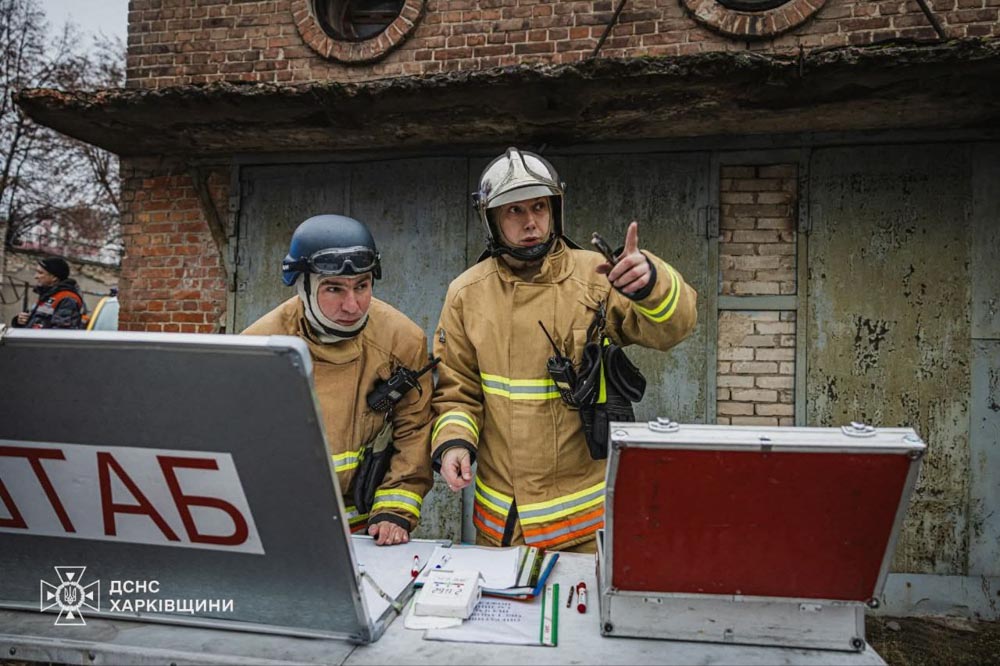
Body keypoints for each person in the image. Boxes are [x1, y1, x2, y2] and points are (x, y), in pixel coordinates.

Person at [431, 147, 698, 553]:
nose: (531, 221)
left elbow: (672, 329)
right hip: (502, 526)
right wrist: (454, 442)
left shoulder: (596, 277)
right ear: (492, 220)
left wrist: (650, 285)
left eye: (539, 206)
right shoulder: (466, 294)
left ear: (554, 209)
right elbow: (457, 391)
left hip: (582, 529)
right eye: (514, 210)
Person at [243, 214, 434, 546]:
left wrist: (395, 510)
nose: (352, 305)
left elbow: (415, 430)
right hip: (280, 527)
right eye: (334, 288)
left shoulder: (402, 340)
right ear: (303, 285)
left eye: (362, 286)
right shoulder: (258, 348)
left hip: (364, 531)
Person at [12, 257, 86, 329]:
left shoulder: (67, 298)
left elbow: (60, 332)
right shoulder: (48, 295)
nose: (35, 276)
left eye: (40, 273)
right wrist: (20, 321)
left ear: (54, 278)